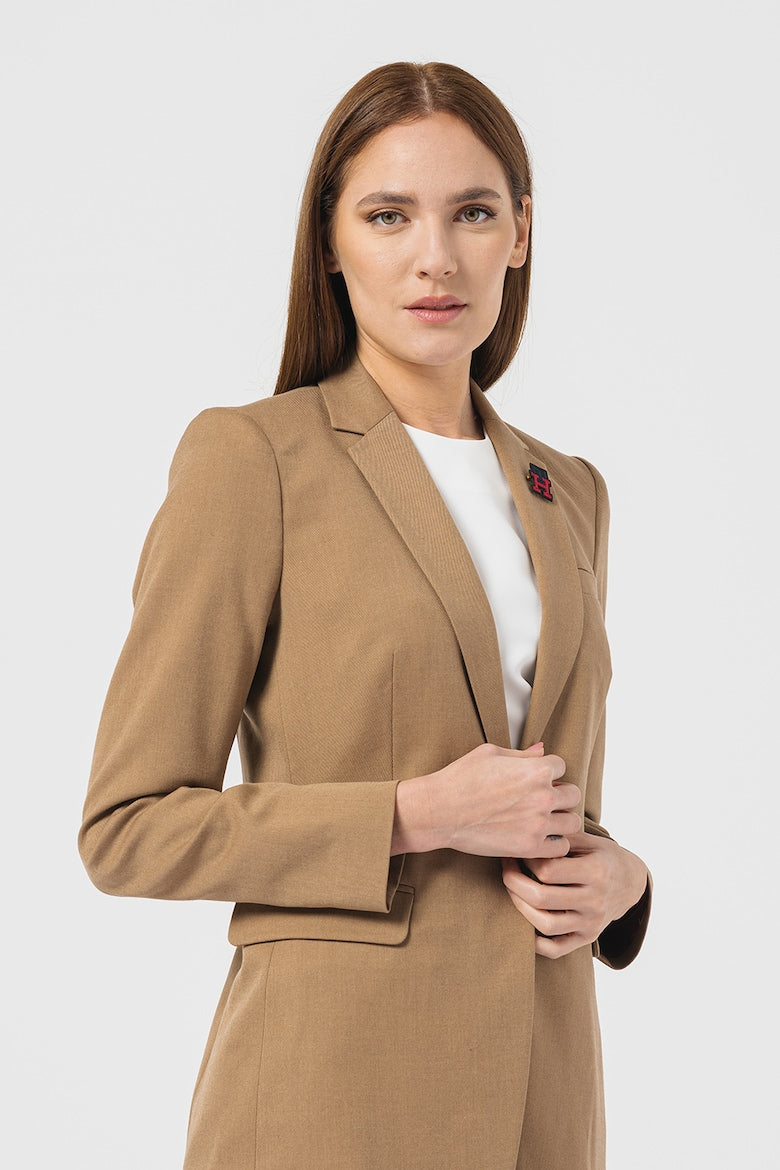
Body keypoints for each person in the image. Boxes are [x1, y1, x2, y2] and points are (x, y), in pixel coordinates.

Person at [79, 61, 651, 1170]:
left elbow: (555, 798)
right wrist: (411, 814)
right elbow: (127, 828)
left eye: (472, 213)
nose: (436, 257)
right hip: (330, 1097)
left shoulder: (569, 491)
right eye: (389, 216)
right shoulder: (255, 461)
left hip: (543, 1098)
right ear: (331, 244)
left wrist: (620, 880)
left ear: (520, 234)